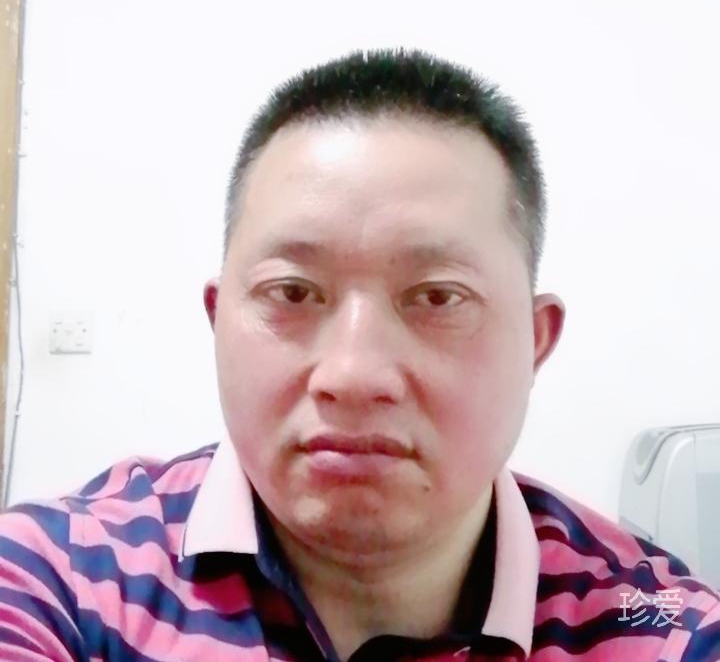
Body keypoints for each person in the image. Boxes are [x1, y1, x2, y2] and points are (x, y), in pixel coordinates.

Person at [0, 48, 718, 662]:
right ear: (218, 320)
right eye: (292, 291)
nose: (352, 374)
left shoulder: (662, 633)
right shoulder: (58, 585)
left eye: (437, 297)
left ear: (535, 341)